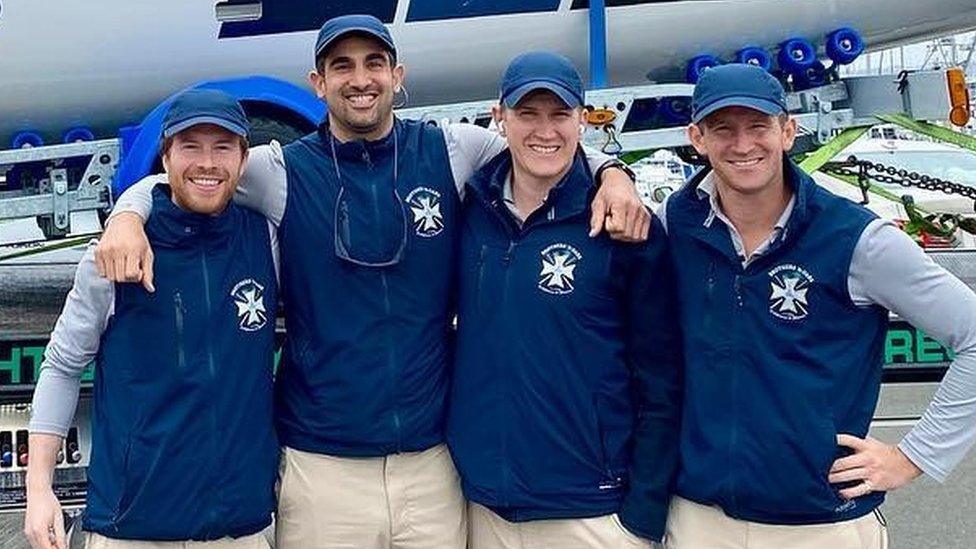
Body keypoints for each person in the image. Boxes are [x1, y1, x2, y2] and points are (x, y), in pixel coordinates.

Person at [94, 14, 649, 549]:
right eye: (342, 66)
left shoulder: (450, 151)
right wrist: (127, 213)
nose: (360, 79)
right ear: (318, 83)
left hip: (433, 468)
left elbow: (544, 143)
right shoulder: (282, 170)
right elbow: (190, 176)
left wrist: (613, 174)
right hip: (322, 467)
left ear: (397, 76)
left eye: (374, 63)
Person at [659, 63, 976, 549]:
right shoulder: (674, 224)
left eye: (759, 126)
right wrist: (612, 172)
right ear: (696, 138)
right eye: (723, 129)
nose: (743, 145)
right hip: (699, 520)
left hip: (822, 527)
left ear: (788, 131)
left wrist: (912, 456)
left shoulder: (854, 239)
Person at [23, 89, 279, 549]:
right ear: (166, 156)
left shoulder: (267, 243)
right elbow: (61, 365)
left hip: (242, 528)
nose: (207, 162)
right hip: (133, 528)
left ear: (244, 160)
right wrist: (39, 489)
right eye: (190, 146)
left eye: (222, 147)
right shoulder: (114, 255)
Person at [448, 51, 682, 549]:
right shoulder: (472, 212)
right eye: (528, 114)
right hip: (485, 507)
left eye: (560, 114)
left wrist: (642, 517)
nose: (545, 131)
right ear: (499, 118)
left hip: (591, 513)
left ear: (582, 118)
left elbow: (662, 380)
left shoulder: (625, 227)